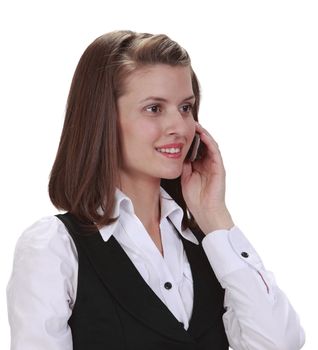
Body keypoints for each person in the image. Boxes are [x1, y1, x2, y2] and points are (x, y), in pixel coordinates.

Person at [6, 30, 305, 350]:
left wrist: (215, 217)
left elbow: (280, 343)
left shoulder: (210, 245)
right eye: (154, 108)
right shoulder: (55, 247)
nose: (180, 127)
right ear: (103, 118)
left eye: (186, 107)